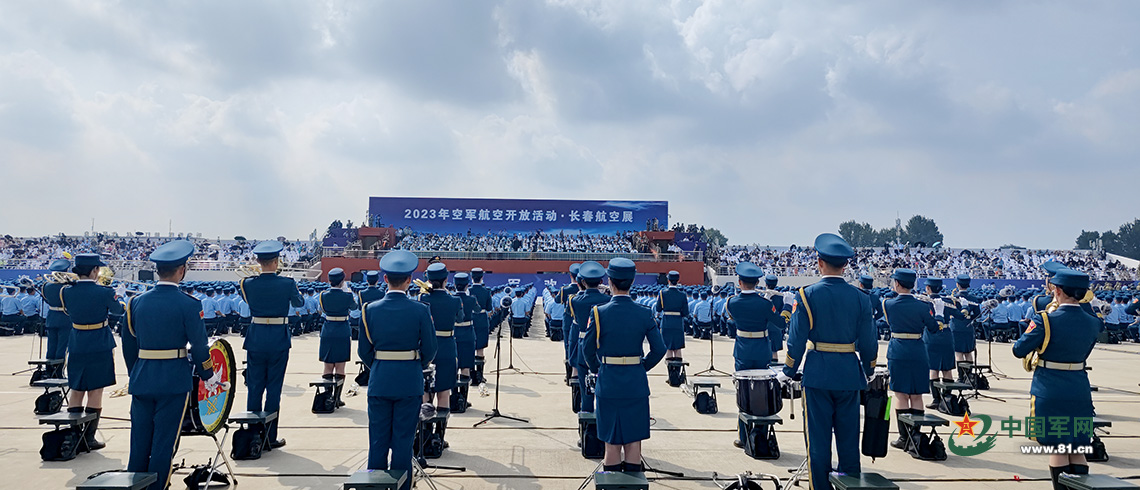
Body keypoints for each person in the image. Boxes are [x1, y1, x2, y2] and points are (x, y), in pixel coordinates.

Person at [120, 241, 221, 490]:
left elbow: (128, 344)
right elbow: (199, 347)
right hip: (173, 379)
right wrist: (208, 373)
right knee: (164, 442)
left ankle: (136, 485)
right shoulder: (189, 304)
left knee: (139, 441)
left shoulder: (135, 303)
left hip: (142, 377)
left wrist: (136, 372)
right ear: (182, 270)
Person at [781, 234, 876, 490]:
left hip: (818, 373)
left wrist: (789, 369)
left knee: (818, 441)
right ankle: (849, 486)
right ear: (845, 265)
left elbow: (797, 339)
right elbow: (869, 342)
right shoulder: (861, 298)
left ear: (819, 262)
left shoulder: (807, 295)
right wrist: (868, 370)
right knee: (848, 442)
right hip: (848, 373)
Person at [1013, 268, 1101, 490]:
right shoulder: (1093, 321)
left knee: (1058, 447)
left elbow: (1019, 349)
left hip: (1050, 388)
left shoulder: (1045, 319)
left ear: (1057, 290)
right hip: (1079, 387)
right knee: (1077, 448)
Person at [359, 250, 437, 489]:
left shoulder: (369, 309)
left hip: (380, 379)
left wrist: (381, 365)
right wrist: (415, 364)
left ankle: (376, 486)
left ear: (385, 279)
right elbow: (431, 350)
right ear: (408, 280)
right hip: (408, 380)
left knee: (378, 440)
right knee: (403, 440)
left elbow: (364, 352)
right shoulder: (420, 310)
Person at [582, 258, 666, 473]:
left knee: (611, 441)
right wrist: (641, 367)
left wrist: (598, 368)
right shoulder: (644, 312)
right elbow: (659, 349)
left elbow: (587, 349)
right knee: (634, 440)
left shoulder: (599, 312)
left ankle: (610, 481)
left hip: (608, 380)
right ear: (632, 281)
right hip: (635, 381)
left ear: (610, 282)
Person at [239, 240, 304, 449]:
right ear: (276, 261)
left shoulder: (247, 283)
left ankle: (252, 435)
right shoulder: (287, 283)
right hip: (278, 338)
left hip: (256, 337)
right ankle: (270, 436)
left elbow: (250, 301)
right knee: (274, 388)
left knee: (255, 387)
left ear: (258, 261)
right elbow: (299, 303)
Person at [60, 253, 125, 451]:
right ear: (95, 270)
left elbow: (67, 312)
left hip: (78, 341)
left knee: (77, 388)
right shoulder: (105, 292)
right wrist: (119, 297)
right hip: (99, 341)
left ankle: (73, 436)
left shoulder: (66, 291)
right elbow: (118, 311)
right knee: (95, 390)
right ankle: (88, 437)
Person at [728, 261, 784, 448]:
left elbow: (731, 318)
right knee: (761, 391)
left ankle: (743, 436)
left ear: (739, 282)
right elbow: (781, 323)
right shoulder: (765, 304)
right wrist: (781, 304)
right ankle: (759, 433)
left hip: (743, 349)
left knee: (743, 391)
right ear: (757, 283)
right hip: (761, 349)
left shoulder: (732, 302)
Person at [881, 269, 938, 447]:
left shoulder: (888, 304)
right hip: (918, 350)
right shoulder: (924, 306)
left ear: (897, 284)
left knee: (900, 394)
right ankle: (916, 435)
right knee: (916, 395)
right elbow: (934, 328)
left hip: (898, 350)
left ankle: (904, 437)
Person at [419, 262, 461, 423]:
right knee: (444, 391)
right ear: (446, 279)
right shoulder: (454, 300)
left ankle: (426, 433)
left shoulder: (422, 298)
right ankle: (440, 434)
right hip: (447, 347)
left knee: (425, 391)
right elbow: (460, 318)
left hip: (426, 346)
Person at [569, 262, 612, 415]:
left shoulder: (574, 300)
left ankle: (586, 414)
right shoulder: (608, 300)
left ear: (582, 282)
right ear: (601, 281)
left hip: (582, 343)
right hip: (602, 344)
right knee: (603, 381)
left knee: (585, 383)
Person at [318, 268, 359, 407]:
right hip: (342, 329)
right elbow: (354, 307)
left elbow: (323, 310)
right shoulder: (347, 296)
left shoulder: (323, 295)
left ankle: (327, 396)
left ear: (329, 281)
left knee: (327, 366)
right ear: (342, 280)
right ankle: (337, 397)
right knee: (340, 367)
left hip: (328, 329)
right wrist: (348, 293)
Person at [654, 270, 688, 386]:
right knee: (677, 349)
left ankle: (671, 376)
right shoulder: (682, 295)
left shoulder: (662, 293)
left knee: (668, 348)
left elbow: (658, 309)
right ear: (678, 281)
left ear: (668, 280)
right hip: (678, 323)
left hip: (667, 322)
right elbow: (686, 312)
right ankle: (677, 376)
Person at [41, 259, 73, 379]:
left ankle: (49, 370)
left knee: (51, 346)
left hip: (51, 317)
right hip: (65, 318)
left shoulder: (46, 286)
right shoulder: (67, 287)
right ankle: (58, 372)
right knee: (62, 347)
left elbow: (46, 300)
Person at [468, 268, 492, 386]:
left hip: (470, 319)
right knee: (480, 349)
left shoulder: (468, 290)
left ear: (471, 278)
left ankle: (471, 375)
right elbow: (489, 308)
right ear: (482, 278)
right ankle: (480, 375)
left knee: (470, 349)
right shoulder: (486, 291)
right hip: (482, 319)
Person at [453, 273, 478, 386]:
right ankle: (463, 398)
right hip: (468, 333)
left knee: (453, 365)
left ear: (454, 284)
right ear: (467, 285)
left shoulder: (451, 299)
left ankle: (453, 396)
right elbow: (478, 310)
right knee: (466, 365)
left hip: (453, 333)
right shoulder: (471, 299)